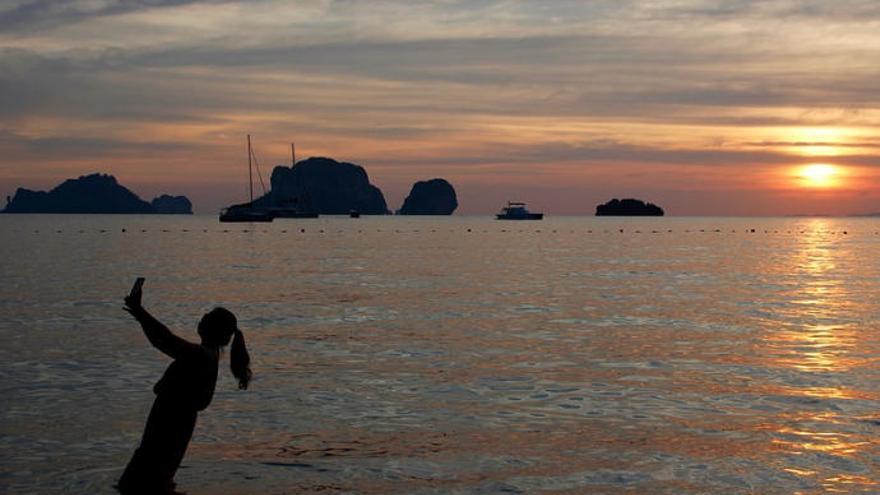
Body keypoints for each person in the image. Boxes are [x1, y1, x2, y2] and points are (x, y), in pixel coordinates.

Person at [117, 278, 251, 494]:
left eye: (206, 319)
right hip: (172, 431)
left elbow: (164, 340)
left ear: (212, 330)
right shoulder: (207, 356)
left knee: (138, 485)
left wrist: (139, 311)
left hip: (168, 431)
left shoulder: (201, 356)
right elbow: (163, 340)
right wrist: (139, 313)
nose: (201, 319)